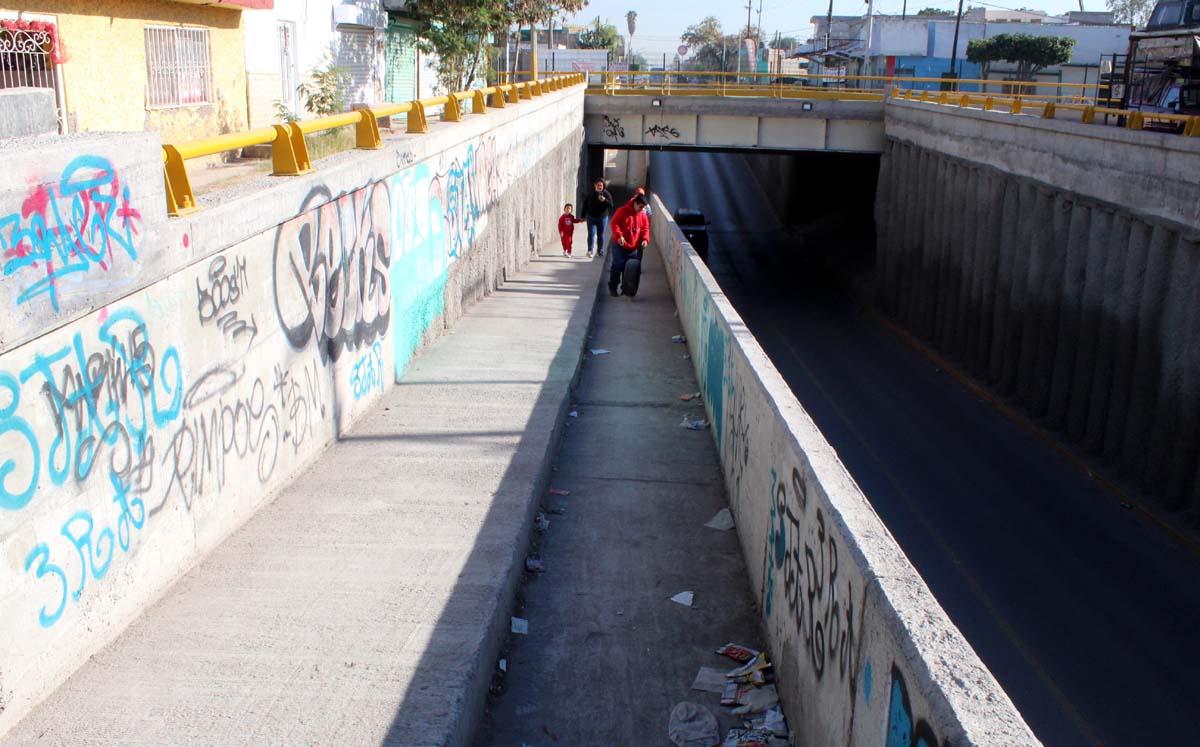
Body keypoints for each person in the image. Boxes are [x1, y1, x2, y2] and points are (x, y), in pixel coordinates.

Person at [608, 193, 650, 297]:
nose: (641, 209)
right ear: (635, 203)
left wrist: (645, 239)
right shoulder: (622, 211)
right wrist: (619, 236)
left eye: (643, 208)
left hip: (633, 247)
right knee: (618, 266)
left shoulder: (643, 215)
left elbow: (645, 228)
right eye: (640, 207)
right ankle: (613, 287)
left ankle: (625, 289)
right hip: (620, 246)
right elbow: (614, 224)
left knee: (629, 270)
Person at [581, 178, 614, 258]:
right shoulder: (590, 193)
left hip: (602, 218)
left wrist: (605, 200)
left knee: (601, 234)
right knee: (591, 234)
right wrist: (582, 216)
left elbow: (611, 206)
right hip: (591, 217)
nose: (599, 187)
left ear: (603, 186)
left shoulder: (606, 194)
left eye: (601, 185)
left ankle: (600, 251)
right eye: (598, 185)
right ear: (594, 185)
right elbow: (585, 205)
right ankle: (590, 251)